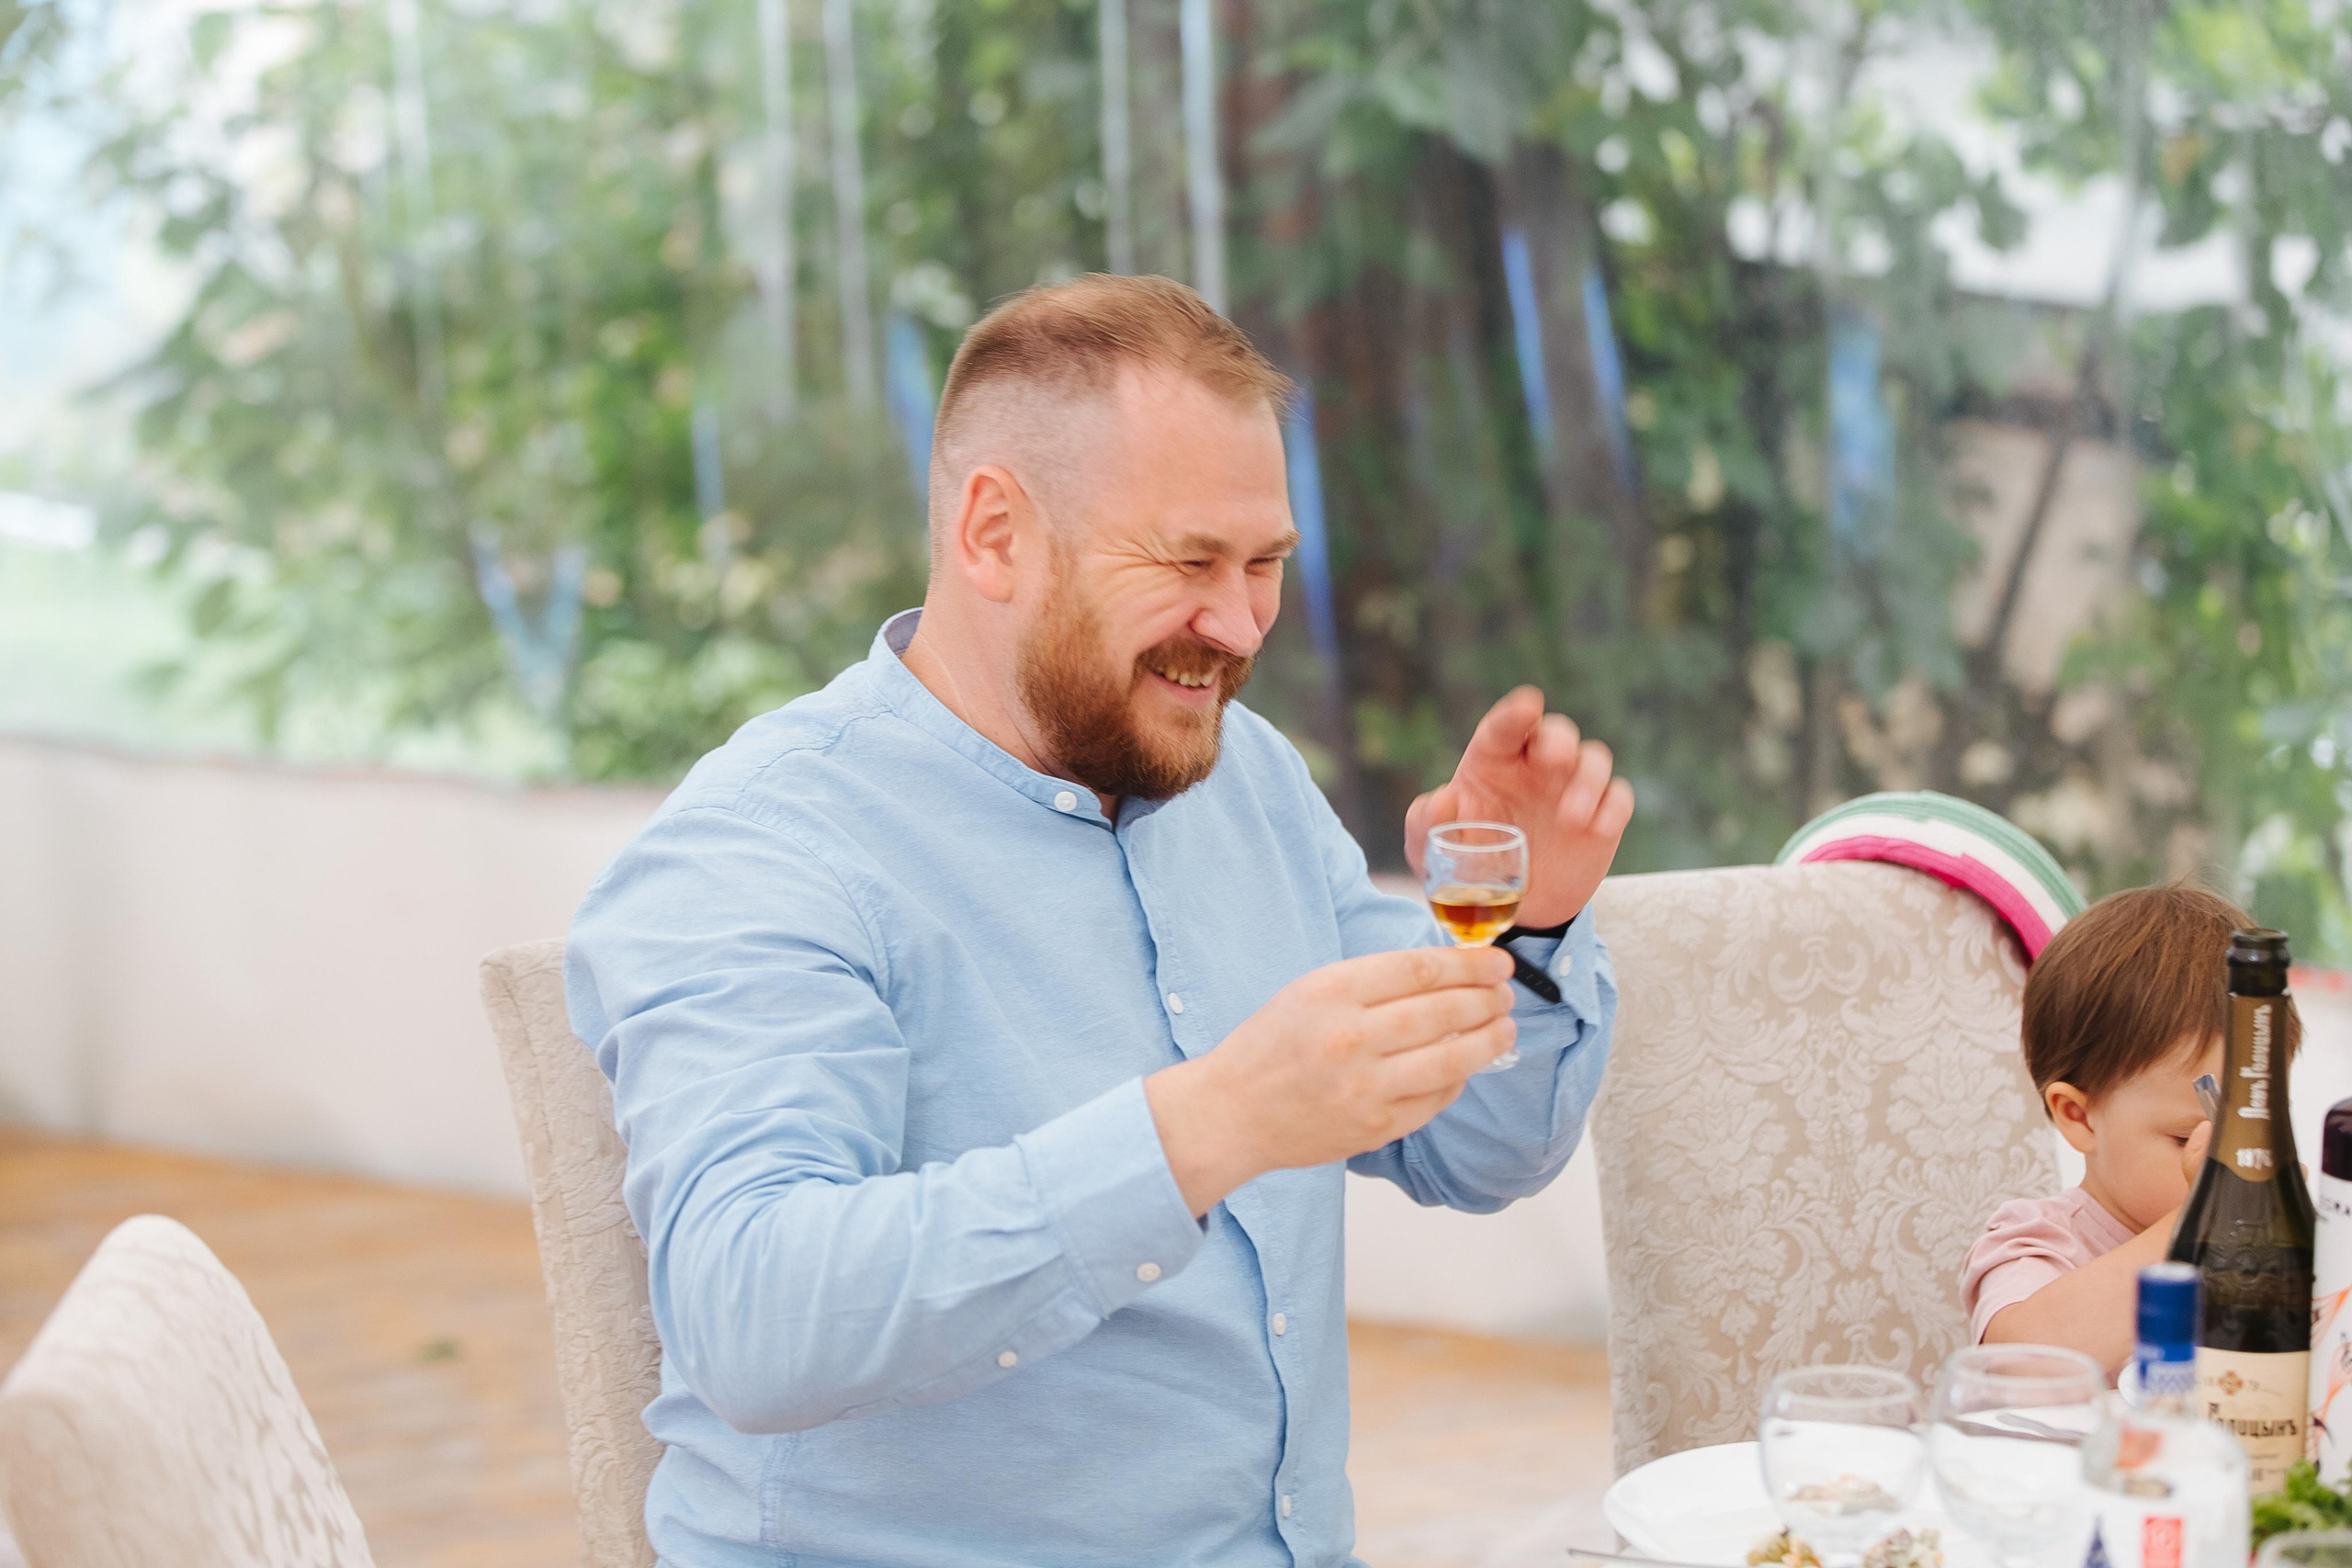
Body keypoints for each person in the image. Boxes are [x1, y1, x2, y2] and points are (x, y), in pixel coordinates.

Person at [564, 274, 1632, 1567]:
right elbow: (755, 1318)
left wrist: (1527, 924)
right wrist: (1215, 1120)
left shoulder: (1246, 780)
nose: (1238, 625)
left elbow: (1476, 1151)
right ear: (995, 533)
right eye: (1188, 561)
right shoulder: (764, 850)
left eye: (1265, 565)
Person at [1963, 883, 2296, 1373]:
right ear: (2079, 1116)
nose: (2243, 1164)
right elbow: (2019, 1362)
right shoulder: (2039, 1242)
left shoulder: (2274, 1248)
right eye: (2190, 1139)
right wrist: (2200, 1223)